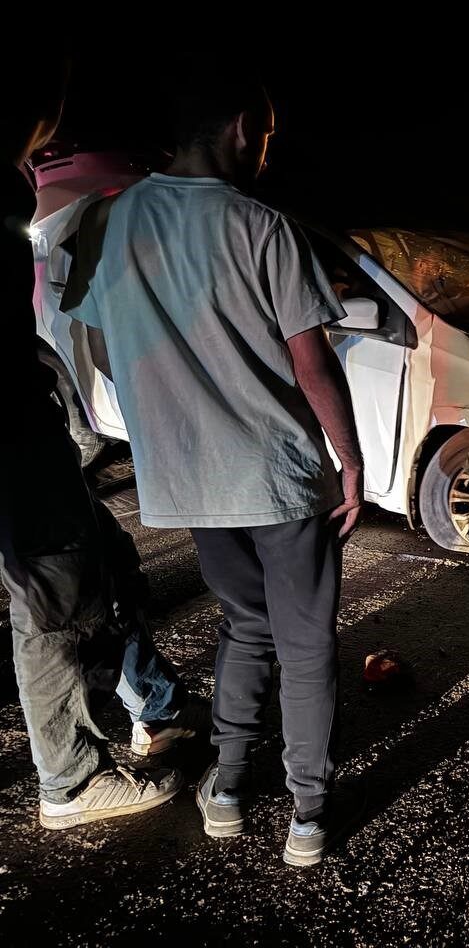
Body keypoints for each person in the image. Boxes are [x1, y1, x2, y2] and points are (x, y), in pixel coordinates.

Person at [63, 68, 364, 866]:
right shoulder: (260, 224)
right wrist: (353, 459)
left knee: (245, 626)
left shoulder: (112, 221)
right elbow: (313, 365)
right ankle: (306, 814)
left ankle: (227, 789)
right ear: (238, 127)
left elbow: (93, 341)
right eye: (264, 136)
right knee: (303, 645)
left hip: (189, 477)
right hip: (278, 475)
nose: (265, 152)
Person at [1, 53, 184, 829]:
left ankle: (153, 705)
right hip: (11, 431)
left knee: (100, 560)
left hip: (25, 422)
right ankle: (69, 782)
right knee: (52, 603)